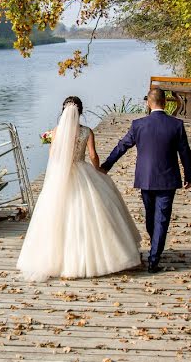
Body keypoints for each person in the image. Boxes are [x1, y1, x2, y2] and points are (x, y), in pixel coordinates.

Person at [17, 96, 142, 281]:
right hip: (82, 170)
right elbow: (93, 155)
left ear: (63, 112)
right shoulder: (87, 132)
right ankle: (97, 257)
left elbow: (53, 156)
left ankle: (54, 260)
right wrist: (99, 169)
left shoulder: (57, 131)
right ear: (81, 112)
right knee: (91, 213)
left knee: (56, 215)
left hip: (61, 174)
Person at [101, 88, 191, 273]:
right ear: (165, 103)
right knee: (160, 218)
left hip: (146, 178)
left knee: (151, 216)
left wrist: (106, 165)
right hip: (168, 178)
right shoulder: (176, 125)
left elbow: (122, 146)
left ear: (148, 103)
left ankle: (154, 255)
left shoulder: (138, 124)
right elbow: (185, 152)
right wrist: (188, 175)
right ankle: (155, 252)